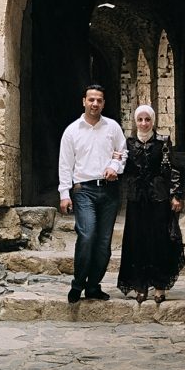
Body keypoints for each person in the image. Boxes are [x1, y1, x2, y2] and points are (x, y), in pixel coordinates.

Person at [58, 84, 126, 303]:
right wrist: (64, 194)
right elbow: (65, 164)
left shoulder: (113, 128)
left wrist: (114, 167)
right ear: (84, 101)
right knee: (87, 236)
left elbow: (122, 153)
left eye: (99, 100)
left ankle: (93, 285)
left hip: (109, 191)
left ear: (103, 103)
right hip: (83, 191)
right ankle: (78, 284)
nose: (95, 103)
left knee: (104, 242)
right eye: (91, 100)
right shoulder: (72, 131)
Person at [117, 104, 185, 304]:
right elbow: (123, 168)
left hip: (159, 198)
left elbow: (175, 169)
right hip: (136, 199)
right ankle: (140, 285)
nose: (144, 123)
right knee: (137, 241)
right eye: (140, 120)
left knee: (159, 241)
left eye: (147, 119)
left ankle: (159, 286)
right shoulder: (128, 143)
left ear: (152, 121)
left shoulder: (163, 142)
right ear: (135, 121)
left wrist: (177, 195)